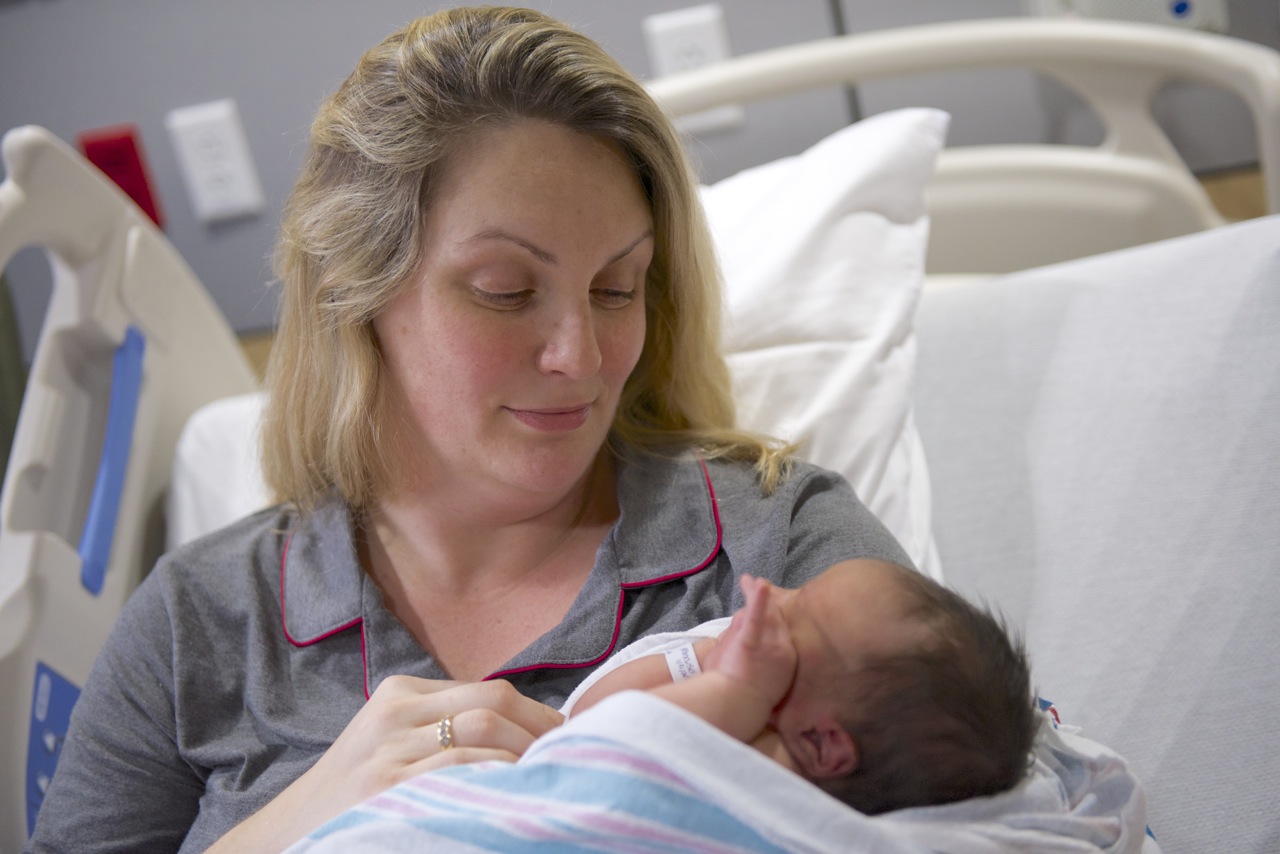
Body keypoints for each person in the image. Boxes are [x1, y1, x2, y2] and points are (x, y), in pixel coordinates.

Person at [26, 7, 912, 853]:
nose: (582, 355)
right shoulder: (198, 624)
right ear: (358, 295)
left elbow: (993, 793)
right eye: (506, 290)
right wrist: (311, 811)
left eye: (617, 288)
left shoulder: (778, 545)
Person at [566, 558, 1041, 814]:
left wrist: (730, 687)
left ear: (822, 743)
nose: (770, 593)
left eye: (793, 618)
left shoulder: (768, 772)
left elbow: (587, 740)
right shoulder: (788, 730)